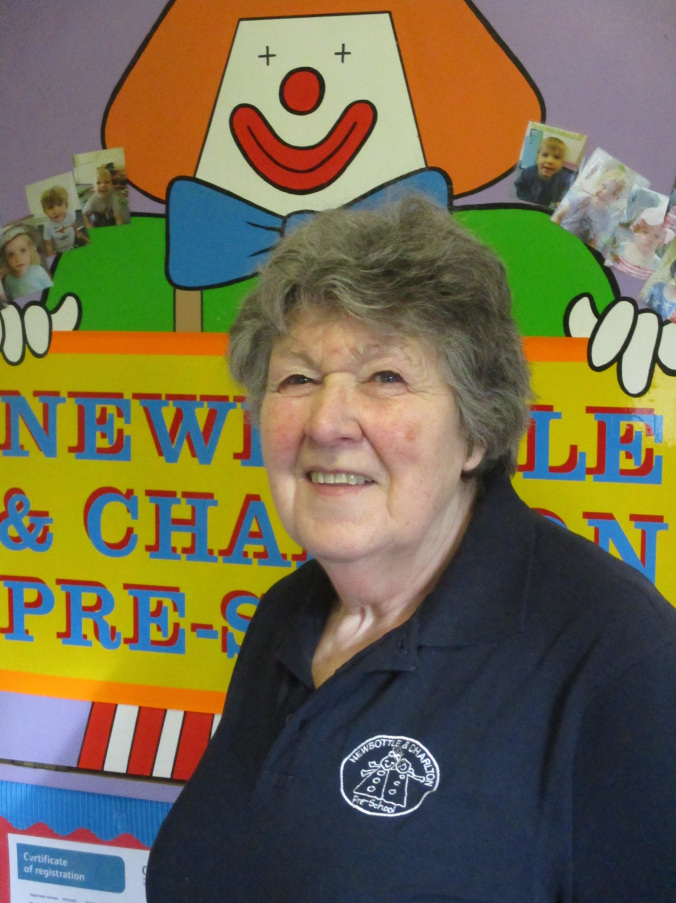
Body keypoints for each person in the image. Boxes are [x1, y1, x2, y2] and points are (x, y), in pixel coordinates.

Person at [146, 196, 676, 902]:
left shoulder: (623, 658)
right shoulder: (284, 616)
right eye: (298, 378)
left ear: (476, 431)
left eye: (385, 377)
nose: (327, 422)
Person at [552, 167, 627, 251]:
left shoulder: (605, 218)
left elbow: (594, 241)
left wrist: (587, 251)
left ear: (616, 198)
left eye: (611, 192)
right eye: (604, 186)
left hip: (576, 248)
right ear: (598, 183)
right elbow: (558, 216)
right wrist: (555, 231)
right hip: (561, 236)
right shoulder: (581, 201)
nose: (604, 192)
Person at [609, 206, 673, 281]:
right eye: (645, 232)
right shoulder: (621, 248)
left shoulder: (657, 265)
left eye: (656, 236)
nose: (649, 239)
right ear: (636, 231)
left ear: (662, 241)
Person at [514, 135, 574, 208]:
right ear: (537, 158)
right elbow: (520, 186)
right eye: (545, 155)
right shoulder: (528, 172)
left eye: (557, 157)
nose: (550, 161)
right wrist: (527, 201)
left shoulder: (564, 179)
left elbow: (567, 194)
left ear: (562, 163)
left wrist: (561, 202)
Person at [0, 224, 52, 302]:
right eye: (11, 254)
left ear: (31, 251)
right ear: (6, 259)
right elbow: (10, 298)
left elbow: (51, 291)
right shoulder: (9, 279)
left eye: (23, 250)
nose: (18, 259)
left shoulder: (38, 271)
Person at [41, 185, 89, 254]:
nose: (55, 211)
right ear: (45, 211)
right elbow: (48, 245)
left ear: (66, 205)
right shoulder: (47, 225)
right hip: (59, 252)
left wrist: (77, 233)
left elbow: (74, 224)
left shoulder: (70, 215)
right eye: (50, 207)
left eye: (59, 205)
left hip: (73, 246)